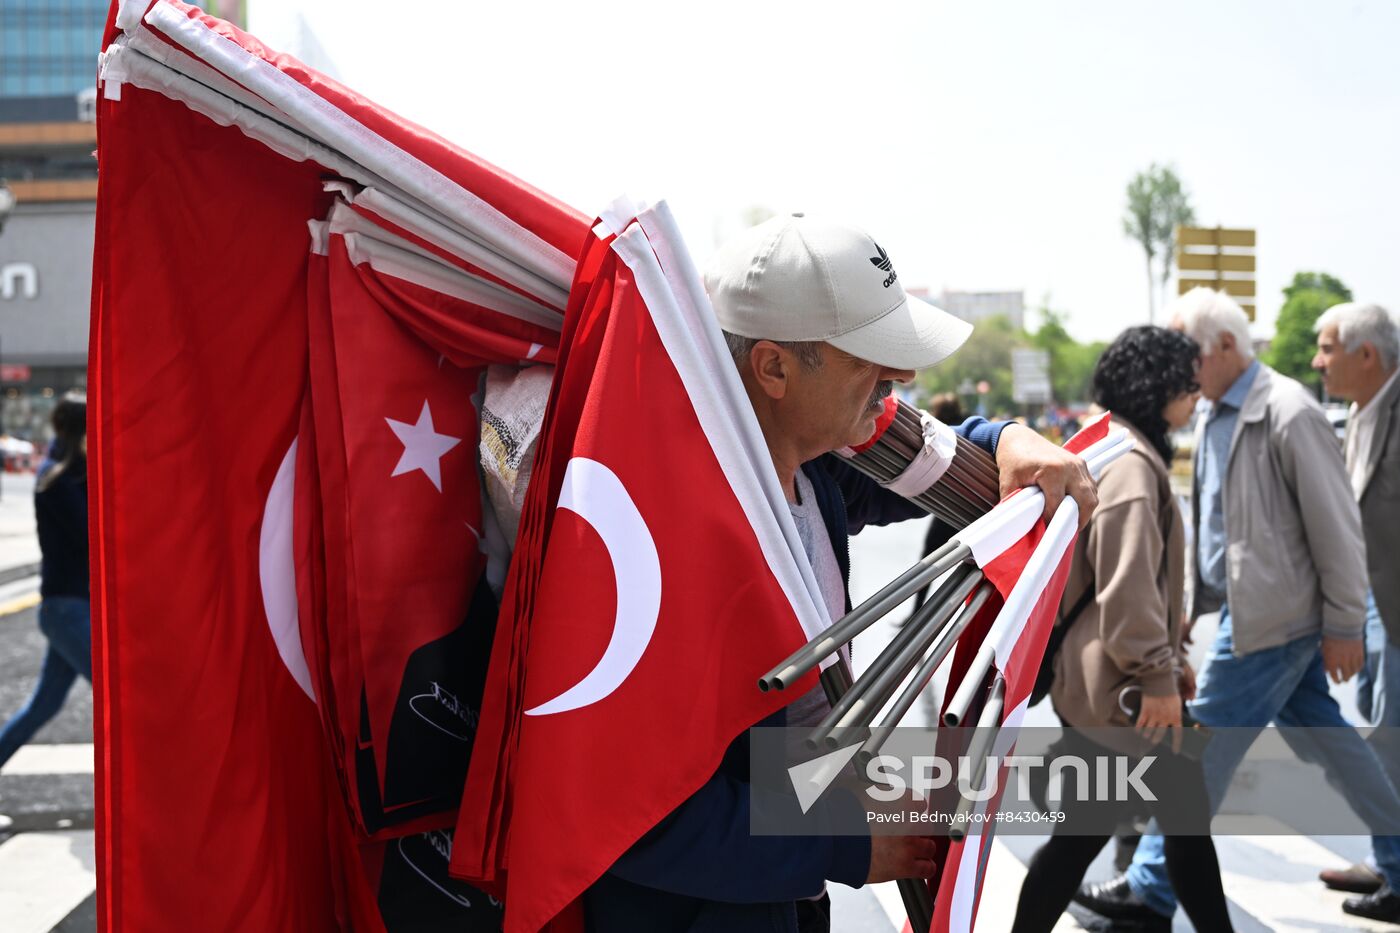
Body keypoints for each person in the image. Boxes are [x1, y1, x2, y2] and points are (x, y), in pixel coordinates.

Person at [585, 214, 1098, 933]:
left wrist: (1009, 437)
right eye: (873, 356)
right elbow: (630, 814)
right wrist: (846, 839)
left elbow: (933, 457)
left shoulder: (819, 471)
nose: (903, 378)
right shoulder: (659, 539)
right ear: (773, 368)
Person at [1075, 288, 1400, 925]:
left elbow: (1337, 528)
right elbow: (1221, 531)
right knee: (1334, 745)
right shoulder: (1217, 412)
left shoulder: (1285, 410)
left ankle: (1149, 887)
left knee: (1197, 749)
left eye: (1187, 350)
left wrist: (1342, 622)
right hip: (1251, 614)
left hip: (1272, 622)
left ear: (1225, 346)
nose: (1178, 366)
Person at [1010, 326, 1231, 933]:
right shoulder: (1134, 465)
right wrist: (1157, 674)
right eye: (1188, 385)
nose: (1195, 398)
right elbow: (1128, 587)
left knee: (1090, 836)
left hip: (1098, 684)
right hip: (1124, 692)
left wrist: (1168, 656)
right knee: (1180, 829)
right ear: (1158, 387)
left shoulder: (1112, 445)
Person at [1310, 302, 1400, 898]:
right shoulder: (1357, 410)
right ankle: (1388, 859)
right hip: (1369, 601)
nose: (1317, 362)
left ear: (1367, 355)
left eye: (1327, 348)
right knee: (1379, 730)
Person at [0, 393, 92, 774]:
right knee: (120, 699)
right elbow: (91, 535)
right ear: (81, 431)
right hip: (67, 609)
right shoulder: (55, 478)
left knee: (43, 707)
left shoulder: (69, 473)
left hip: (66, 609)